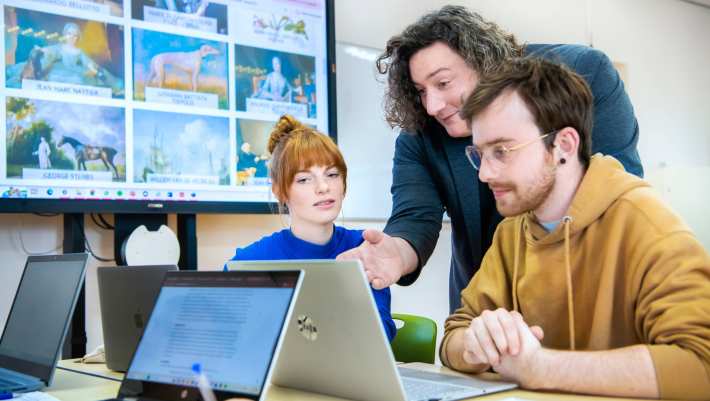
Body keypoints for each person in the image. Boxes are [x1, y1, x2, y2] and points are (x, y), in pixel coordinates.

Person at [337, 6, 644, 313]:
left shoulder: (581, 75)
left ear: (483, 62)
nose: (431, 106)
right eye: (420, 91)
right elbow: (415, 217)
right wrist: (395, 252)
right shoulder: (422, 133)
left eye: (443, 83)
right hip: (482, 304)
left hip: (579, 294)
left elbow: (615, 189)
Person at [440, 57, 710, 400]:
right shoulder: (511, 232)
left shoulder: (647, 223)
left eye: (502, 151)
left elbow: (700, 366)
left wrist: (540, 368)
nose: (484, 174)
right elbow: (454, 334)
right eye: (480, 154)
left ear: (563, 146)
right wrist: (476, 344)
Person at [227, 115, 397, 342]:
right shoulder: (248, 262)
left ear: (344, 185)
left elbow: (379, 336)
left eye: (332, 174)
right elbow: (231, 339)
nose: (324, 187)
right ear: (280, 191)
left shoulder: (364, 248)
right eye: (305, 179)